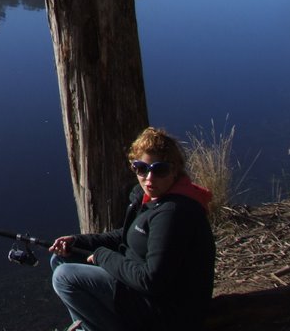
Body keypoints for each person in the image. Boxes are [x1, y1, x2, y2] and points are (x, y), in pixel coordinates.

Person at [48, 127, 216, 331]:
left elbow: (151, 280)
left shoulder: (174, 213)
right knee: (61, 258)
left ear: (174, 170)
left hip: (166, 313)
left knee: (64, 276)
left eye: (159, 169)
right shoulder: (150, 198)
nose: (149, 178)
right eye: (141, 168)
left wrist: (103, 256)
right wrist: (77, 241)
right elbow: (128, 235)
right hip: (142, 292)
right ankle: (87, 326)